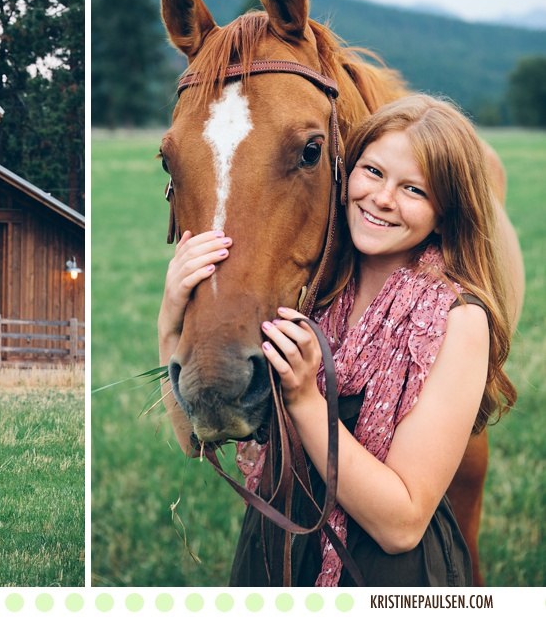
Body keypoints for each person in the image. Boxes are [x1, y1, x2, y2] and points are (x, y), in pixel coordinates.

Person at [158, 94, 516, 586]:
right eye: (373, 172)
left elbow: (402, 525)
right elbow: (193, 438)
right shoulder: (315, 293)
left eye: (414, 188)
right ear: (343, 173)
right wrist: (170, 316)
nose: (383, 198)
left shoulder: (457, 320)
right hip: (277, 555)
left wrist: (306, 398)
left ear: (446, 211)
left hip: (383, 576)